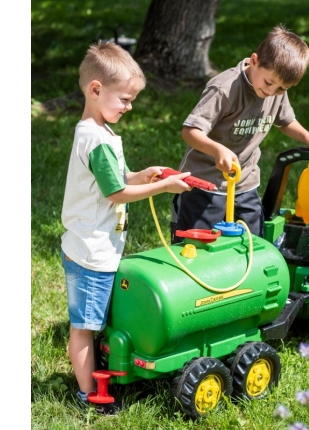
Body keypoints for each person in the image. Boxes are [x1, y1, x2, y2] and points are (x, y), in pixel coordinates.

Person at [60, 41, 191, 414]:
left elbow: (117, 179)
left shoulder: (99, 131)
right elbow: (117, 194)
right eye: (125, 99)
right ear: (96, 89)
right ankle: (89, 394)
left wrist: (143, 174)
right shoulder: (96, 139)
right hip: (90, 251)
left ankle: (97, 374)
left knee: (95, 320)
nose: (129, 106)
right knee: (84, 327)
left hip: (98, 246)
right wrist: (163, 187)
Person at [171, 24, 309, 242]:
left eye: (282, 89)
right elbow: (190, 131)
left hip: (245, 184)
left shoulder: (275, 89)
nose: (271, 92)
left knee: (252, 245)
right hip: (205, 185)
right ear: (254, 61)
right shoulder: (225, 89)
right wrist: (217, 150)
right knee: (197, 248)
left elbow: (285, 121)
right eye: (269, 83)